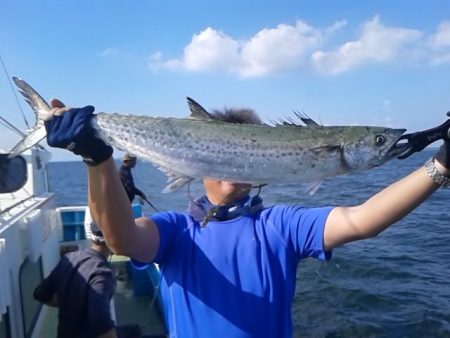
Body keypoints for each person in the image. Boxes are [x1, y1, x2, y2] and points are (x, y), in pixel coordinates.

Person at [44, 99, 450, 338]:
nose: (231, 165)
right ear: (196, 161)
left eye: (242, 151)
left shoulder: (281, 225)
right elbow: (121, 239)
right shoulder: (176, 231)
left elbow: (364, 221)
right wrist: (97, 159)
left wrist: (440, 166)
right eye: (219, 151)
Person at [34, 222, 117, 338]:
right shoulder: (102, 273)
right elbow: (100, 323)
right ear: (115, 239)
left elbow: (40, 293)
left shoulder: (69, 258)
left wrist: (70, 304)